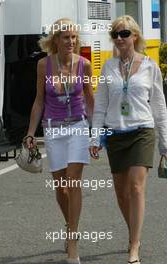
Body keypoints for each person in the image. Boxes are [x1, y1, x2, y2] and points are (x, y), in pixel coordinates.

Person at [90, 15, 167, 264]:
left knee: (136, 187)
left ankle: (134, 246)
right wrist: (95, 137)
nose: (119, 38)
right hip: (115, 133)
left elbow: (159, 105)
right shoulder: (108, 67)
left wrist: (164, 144)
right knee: (122, 194)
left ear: (135, 36)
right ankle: (134, 232)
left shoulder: (149, 66)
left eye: (124, 33)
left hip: (142, 131)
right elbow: (100, 104)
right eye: (115, 34)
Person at [24, 18, 94, 264]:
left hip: (77, 126)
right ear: (55, 40)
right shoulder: (44, 65)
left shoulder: (84, 64)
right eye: (66, 37)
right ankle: (69, 224)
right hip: (53, 129)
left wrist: (95, 133)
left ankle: (73, 242)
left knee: (74, 183)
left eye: (74, 37)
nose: (71, 42)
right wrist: (31, 133)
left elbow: (90, 98)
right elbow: (39, 100)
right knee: (61, 187)